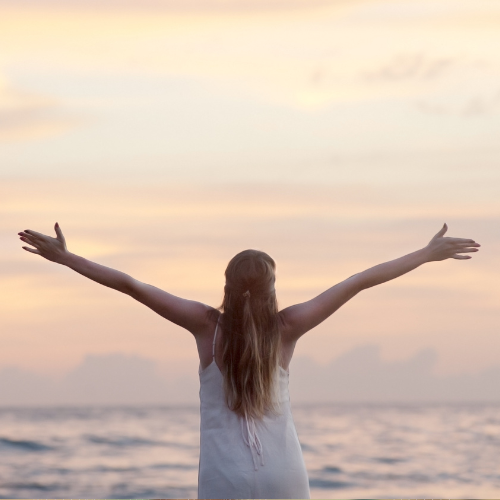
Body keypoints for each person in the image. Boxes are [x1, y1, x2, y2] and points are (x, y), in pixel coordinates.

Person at [18, 222, 480, 499]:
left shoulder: (205, 326)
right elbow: (359, 280)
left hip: (224, 478)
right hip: (283, 473)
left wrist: (66, 258)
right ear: (272, 287)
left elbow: (132, 285)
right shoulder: (289, 326)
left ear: (226, 282)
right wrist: (425, 255)